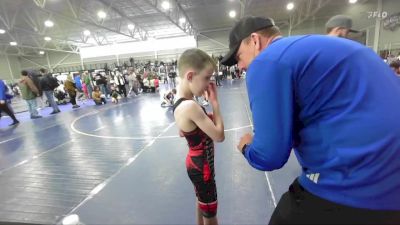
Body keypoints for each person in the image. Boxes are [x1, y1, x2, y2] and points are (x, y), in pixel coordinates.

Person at [221, 16, 400, 224]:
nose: (240, 65)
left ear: (255, 40)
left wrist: (246, 147)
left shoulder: (267, 60)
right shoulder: (322, 47)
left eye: (239, 57)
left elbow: (269, 155)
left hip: (358, 182)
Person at [173, 48, 224, 225]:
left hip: (198, 164)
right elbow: (218, 136)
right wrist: (215, 103)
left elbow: (183, 131)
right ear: (190, 76)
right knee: (210, 214)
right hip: (202, 167)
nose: (209, 83)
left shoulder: (180, 102)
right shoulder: (190, 107)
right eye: (206, 77)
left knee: (202, 204)